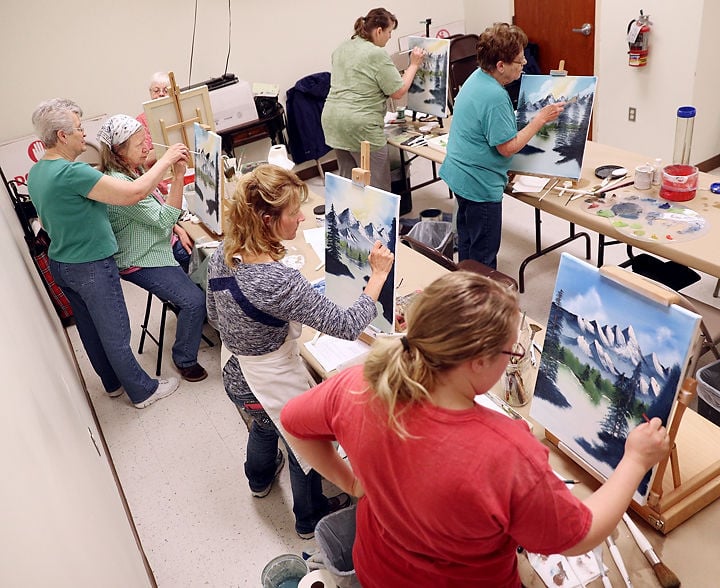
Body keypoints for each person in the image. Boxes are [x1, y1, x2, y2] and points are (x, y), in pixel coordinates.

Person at [281, 271, 671, 586]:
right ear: (479, 361)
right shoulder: (506, 453)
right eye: (512, 352)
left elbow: (293, 423)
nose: (514, 359)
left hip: (378, 570)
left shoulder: (358, 384)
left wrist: (351, 483)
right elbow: (580, 536)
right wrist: (635, 461)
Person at [205, 164, 394, 539]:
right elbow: (346, 325)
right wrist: (377, 277)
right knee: (302, 447)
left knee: (262, 424)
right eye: (294, 212)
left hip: (234, 371)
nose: (302, 217)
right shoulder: (279, 279)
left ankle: (258, 479)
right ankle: (309, 519)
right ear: (266, 219)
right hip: (268, 378)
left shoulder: (223, 252)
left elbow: (213, 313)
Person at [27, 98, 189, 408]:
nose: (83, 135)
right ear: (61, 136)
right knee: (115, 333)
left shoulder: (38, 172)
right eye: (77, 128)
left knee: (90, 331)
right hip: (90, 267)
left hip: (62, 262)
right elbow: (136, 193)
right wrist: (167, 161)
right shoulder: (72, 173)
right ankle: (143, 391)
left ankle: (113, 384)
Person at [439, 23, 565, 269]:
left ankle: (464, 294)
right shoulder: (495, 96)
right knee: (483, 258)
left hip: (460, 177)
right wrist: (539, 119)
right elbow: (507, 148)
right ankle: (481, 303)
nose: (525, 64)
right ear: (501, 65)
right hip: (479, 186)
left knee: (467, 244)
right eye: (519, 61)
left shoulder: (477, 77)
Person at [98, 114, 208, 382]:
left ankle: (203, 318)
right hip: (142, 259)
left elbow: (160, 210)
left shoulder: (131, 171)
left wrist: (179, 228)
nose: (147, 147)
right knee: (195, 301)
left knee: (205, 260)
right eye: (139, 145)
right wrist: (178, 175)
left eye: (145, 140)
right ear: (118, 151)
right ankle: (184, 359)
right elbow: (163, 218)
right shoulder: (121, 184)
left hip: (158, 244)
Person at [322, 7, 425, 191]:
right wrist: (414, 64)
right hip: (360, 124)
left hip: (333, 121)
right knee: (377, 189)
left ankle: (354, 219)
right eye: (389, 32)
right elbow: (399, 91)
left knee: (349, 183)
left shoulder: (342, 47)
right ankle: (379, 220)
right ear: (379, 31)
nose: (390, 37)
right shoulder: (375, 54)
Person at [137, 72, 170, 169]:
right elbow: (143, 160)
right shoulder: (141, 121)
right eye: (156, 91)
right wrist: (170, 147)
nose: (161, 94)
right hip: (160, 173)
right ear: (150, 93)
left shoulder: (181, 113)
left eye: (166, 90)